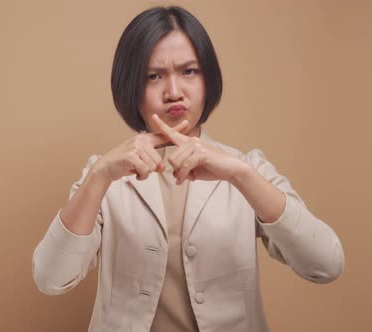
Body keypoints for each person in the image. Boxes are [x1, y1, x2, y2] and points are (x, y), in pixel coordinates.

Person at [32, 6, 344, 332]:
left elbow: (326, 265)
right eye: (153, 76)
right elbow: (50, 279)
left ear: (209, 78)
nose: (174, 92)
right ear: (130, 87)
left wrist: (241, 175)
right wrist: (100, 175)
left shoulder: (247, 167)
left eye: (189, 71)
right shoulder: (105, 175)